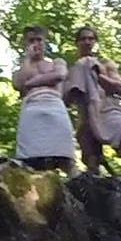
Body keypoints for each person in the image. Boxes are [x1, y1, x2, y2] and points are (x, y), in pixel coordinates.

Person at [63, 25, 121, 179]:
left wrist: (96, 74)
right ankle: (96, 185)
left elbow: (120, 88)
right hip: (87, 116)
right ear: (77, 43)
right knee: (91, 158)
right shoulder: (74, 69)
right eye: (83, 39)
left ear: (95, 42)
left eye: (91, 39)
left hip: (110, 110)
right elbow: (67, 99)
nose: (87, 42)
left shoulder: (106, 65)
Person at [11, 25, 78, 172]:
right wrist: (28, 59)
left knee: (66, 158)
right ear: (25, 44)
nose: (36, 43)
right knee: (29, 160)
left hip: (55, 106)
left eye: (39, 40)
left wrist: (31, 82)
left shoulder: (56, 62)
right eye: (31, 40)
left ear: (45, 42)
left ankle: (80, 191)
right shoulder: (22, 69)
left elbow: (60, 75)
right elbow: (18, 83)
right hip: (31, 109)